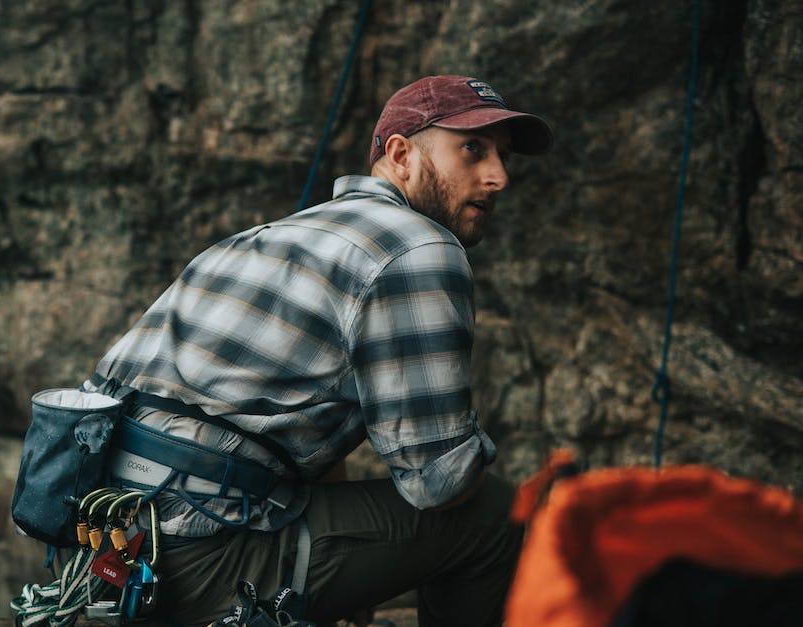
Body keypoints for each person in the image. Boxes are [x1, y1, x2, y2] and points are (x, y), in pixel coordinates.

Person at [84, 75, 553, 626]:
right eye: (472, 149)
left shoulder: (276, 234)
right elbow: (439, 483)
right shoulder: (417, 247)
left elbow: (284, 433)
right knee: (498, 515)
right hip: (198, 561)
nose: (498, 176)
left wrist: (357, 577)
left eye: (503, 156)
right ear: (401, 154)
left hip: (107, 554)